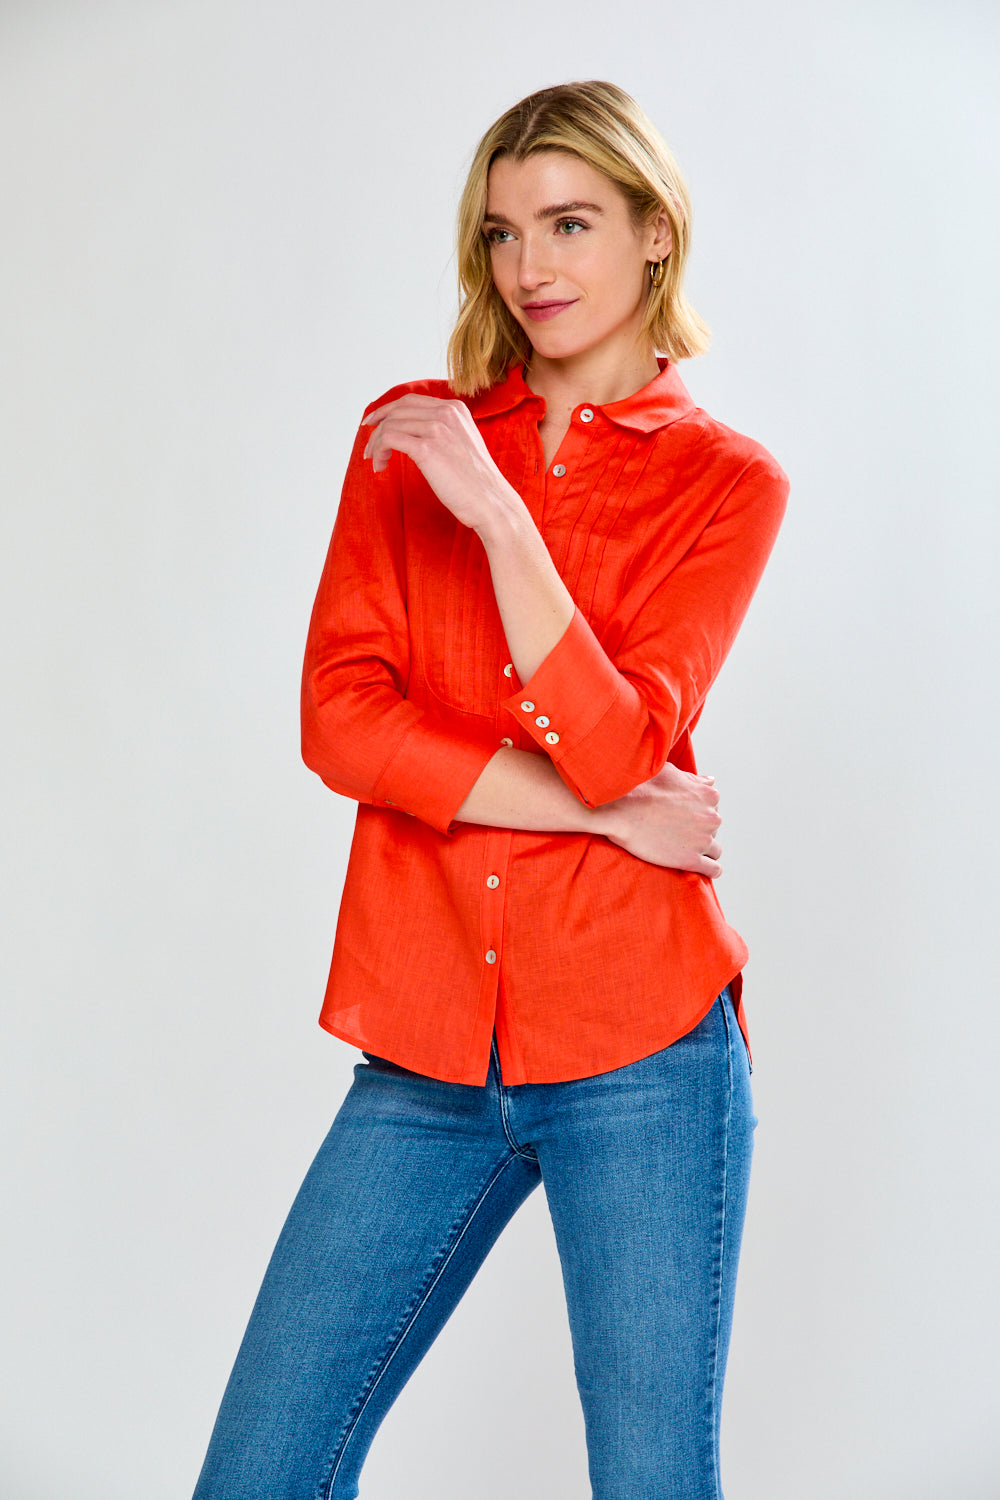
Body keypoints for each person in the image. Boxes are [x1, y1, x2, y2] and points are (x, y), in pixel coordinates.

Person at [193, 80, 788, 1500]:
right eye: (505, 232)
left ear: (655, 235)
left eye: (571, 224)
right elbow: (341, 726)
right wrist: (599, 814)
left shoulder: (727, 484)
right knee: (261, 1470)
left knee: (650, 1481)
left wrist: (505, 522)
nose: (532, 269)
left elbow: (622, 738)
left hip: (646, 1050)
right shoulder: (409, 442)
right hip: (425, 1049)